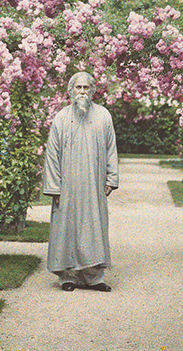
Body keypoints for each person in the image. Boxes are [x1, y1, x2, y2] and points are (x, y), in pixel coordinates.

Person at [42, 71, 119, 292]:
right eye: (78, 88)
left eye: (86, 88)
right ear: (71, 90)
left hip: (94, 185)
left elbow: (111, 149)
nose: (82, 92)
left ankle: (94, 277)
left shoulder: (103, 116)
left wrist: (111, 179)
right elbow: (52, 154)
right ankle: (68, 276)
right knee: (67, 227)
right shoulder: (61, 118)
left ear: (93, 90)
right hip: (67, 186)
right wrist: (54, 187)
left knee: (93, 226)